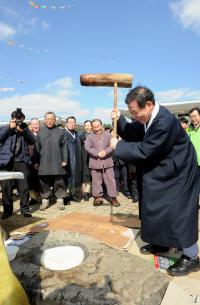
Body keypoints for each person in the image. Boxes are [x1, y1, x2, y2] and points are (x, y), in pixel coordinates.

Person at [110, 86, 199, 276]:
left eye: (135, 112)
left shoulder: (164, 122)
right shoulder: (147, 118)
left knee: (178, 211)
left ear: (148, 105)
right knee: (153, 205)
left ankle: (192, 256)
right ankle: (161, 242)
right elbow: (134, 132)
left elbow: (145, 151)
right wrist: (119, 119)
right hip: (164, 169)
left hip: (179, 172)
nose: (134, 117)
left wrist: (119, 146)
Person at [0, 108, 35, 218]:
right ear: (12, 120)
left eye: (22, 120)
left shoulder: (24, 129)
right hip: (6, 162)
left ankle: (25, 209)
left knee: (24, 187)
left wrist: (24, 131)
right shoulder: (4, 128)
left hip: (22, 161)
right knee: (6, 188)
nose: (20, 123)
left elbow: (32, 141)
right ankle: (7, 210)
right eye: (17, 121)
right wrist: (8, 128)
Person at [36, 112, 68, 211]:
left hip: (57, 160)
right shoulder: (40, 132)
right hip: (43, 161)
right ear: (44, 120)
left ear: (55, 120)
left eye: (51, 119)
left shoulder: (60, 132)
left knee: (59, 180)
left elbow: (64, 147)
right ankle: (45, 200)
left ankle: (60, 199)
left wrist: (65, 159)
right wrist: (36, 162)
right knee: (43, 181)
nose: (49, 121)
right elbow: (37, 148)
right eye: (47, 119)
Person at [85, 119, 120, 207]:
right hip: (95, 162)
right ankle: (98, 197)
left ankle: (113, 198)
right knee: (96, 181)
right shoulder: (89, 136)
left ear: (101, 125)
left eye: (98, 126)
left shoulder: (108, 135)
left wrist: (106, 151)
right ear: (92, 127)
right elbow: (87, 147)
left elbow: (112, 145)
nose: (97, 129)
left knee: (111, 181)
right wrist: (97, 153)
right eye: (95, 127)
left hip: (107, 161)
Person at [64, 116, 82, 202]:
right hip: (67, 159)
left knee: (75, 176)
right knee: (67, 177)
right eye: (70, 122)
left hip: (76, 159)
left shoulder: (76, 134)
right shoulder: (63, 133)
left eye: (73, 122)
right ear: (66, 123)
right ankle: (66, 196)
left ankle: (73, 194)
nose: (72, 124)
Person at [28, 118, 41, 204]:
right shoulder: (28, 136)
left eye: (37, 124)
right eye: (34, 124)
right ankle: (33, 198)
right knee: (32, 181)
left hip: (43, 160)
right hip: (32, 161)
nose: (36, 126)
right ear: (31, 126)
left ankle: (42, 196)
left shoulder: (43, 134)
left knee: (41, 181)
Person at [79, 120, 92, 201]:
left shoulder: (95, 135)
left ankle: (96, 193)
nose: (87, 127)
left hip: (94, 158)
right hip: (84, 158)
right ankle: (86, 193)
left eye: (89, 125)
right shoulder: (81, 136)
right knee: (86, 176)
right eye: (86, 125)